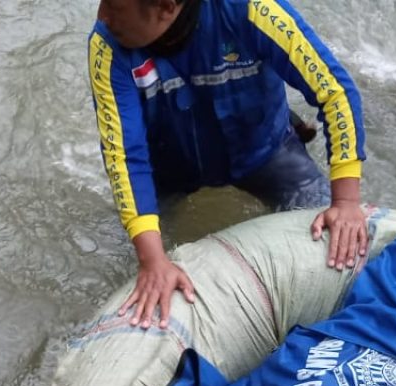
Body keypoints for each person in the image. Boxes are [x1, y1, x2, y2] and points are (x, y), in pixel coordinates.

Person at [88, 0, 368, 329]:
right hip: (168, 166)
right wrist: (152, 259)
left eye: (113, 6)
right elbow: (124, 156)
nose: (101, 16)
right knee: (135, 266)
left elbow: (334, 92)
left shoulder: (252, 10)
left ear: (166, 6)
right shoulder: (107, 46)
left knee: (336, 248)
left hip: (264, 150)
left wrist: (346, 201)